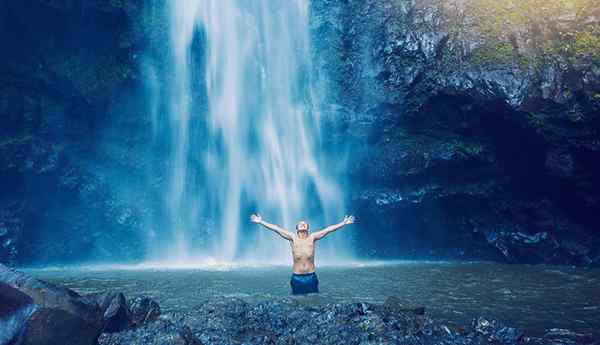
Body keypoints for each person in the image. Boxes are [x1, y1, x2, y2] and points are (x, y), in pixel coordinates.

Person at [250, 213, 355, 295]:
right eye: (300, 224)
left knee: (314, 300)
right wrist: (261, 222)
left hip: (311, 276)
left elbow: (328, 230)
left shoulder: (312, 237)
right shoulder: (292, 237)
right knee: (296, 302)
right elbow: (276, 228)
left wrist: (343, 223)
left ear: (308, 229)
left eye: (305, 224)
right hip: (297, 277)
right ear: (297, 229)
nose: (303, 224)